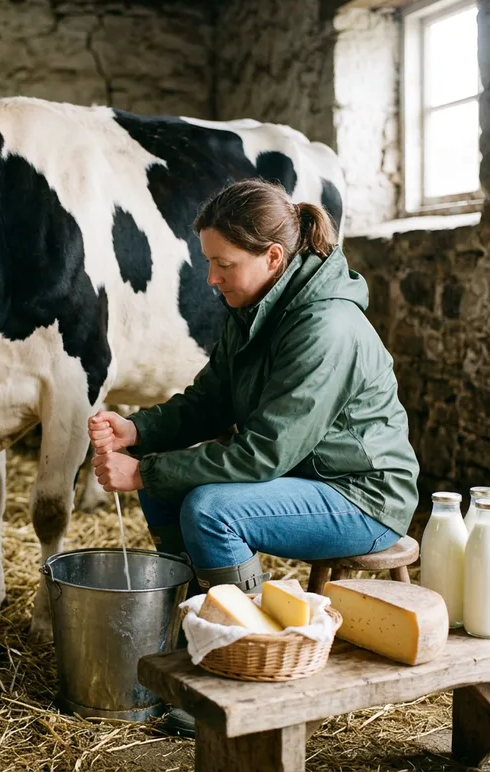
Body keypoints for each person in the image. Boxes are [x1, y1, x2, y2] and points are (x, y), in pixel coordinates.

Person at [88, 178, 419, 601]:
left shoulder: (325, 328)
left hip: (361, 497)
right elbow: (210, 400)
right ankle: (194, 620)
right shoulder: (252, 308)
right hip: (304, 478)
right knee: (161, 489)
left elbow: (264, 453)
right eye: (209, 262)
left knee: (210, 511)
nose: (211, 278)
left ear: (273, 257)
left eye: (224, 265)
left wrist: (142, 471)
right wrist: (135, 431)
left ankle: (243, 638)